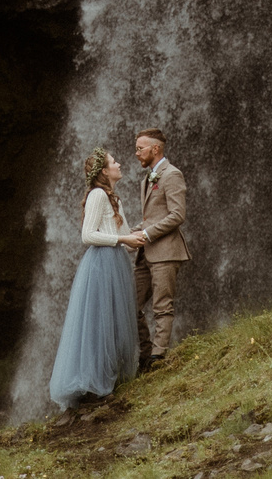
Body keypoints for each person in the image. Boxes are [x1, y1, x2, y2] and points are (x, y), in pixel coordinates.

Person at [46, 145, 140, 408]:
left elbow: (129, 236)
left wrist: (147, 234)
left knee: (112, 321)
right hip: (101, 264)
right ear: (103, 171)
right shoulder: (97, 195)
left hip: (116, 262)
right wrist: (122, 238)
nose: (119, 164)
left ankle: (108, 379)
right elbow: (87, 235)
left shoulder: (115, 198)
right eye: (114, 161)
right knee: (99, 322)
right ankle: (94, 384)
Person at [121, 128, 187, 369]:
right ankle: (146, 351)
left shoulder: (172, 175)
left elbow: (178, 215)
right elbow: (151, 217)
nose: (136, 153)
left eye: (140, 148)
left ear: (155, 148)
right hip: (145, 254)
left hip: (166, 252)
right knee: (130, 303)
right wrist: (127, 236)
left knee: (162, 305)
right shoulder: (147, 179)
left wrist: (146, 234)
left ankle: (158, 358)